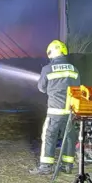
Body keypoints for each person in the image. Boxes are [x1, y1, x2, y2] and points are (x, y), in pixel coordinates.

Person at [29, 40, 80, 175]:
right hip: (70, 111)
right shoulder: (73, 69)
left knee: (49, 136)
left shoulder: (47, 69)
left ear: (52, 53)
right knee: (69, 138)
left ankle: (46, 167)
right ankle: (68, 165)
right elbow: (77, 88)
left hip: (55, 111)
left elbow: (41, 88)